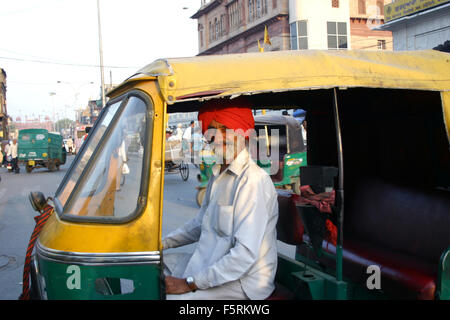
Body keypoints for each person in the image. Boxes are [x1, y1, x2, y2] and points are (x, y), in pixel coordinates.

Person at [162, 97, 279, 300]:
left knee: (174, 300)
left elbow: (243, 257)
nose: (218, 137)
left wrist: (189, 283)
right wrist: (160, 243)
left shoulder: (252, 181)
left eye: (225, 129)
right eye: (213, 130)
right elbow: (200, 224)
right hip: (213, 264)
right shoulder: (218, 174)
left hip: (245, 282)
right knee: (157, 267)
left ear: (243, 134)